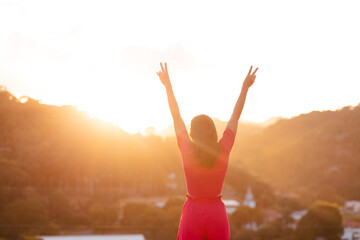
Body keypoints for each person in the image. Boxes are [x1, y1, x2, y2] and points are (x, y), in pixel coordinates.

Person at [156, 62, 258, 240]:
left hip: (192, 213)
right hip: (216, 213)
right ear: (213, 131)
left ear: (193, 133)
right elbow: (235, 115)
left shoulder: (187, 148)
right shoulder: (224, 147)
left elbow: (176, 115)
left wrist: (168, 86)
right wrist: (245, 88)